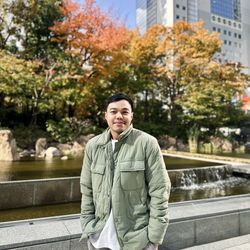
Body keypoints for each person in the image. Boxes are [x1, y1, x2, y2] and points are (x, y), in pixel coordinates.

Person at [80, 93, 171, 250]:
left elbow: (160, 190)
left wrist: (154, 238)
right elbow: (87, 189)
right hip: (98, 236)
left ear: (132, 115)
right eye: (114, 111)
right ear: (106, 115)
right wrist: (87, 225)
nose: (119, 116)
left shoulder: (146, 143)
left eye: (125, 112)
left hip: (137, 239)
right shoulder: (93, 146)